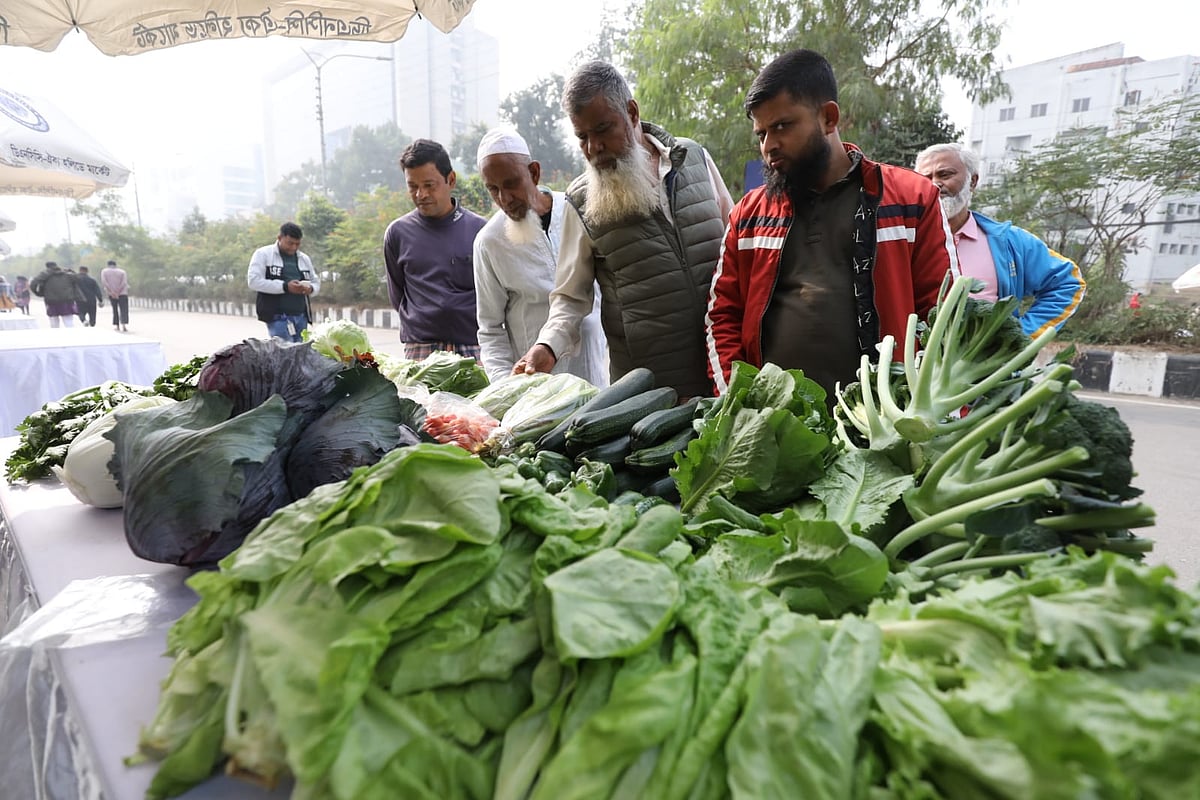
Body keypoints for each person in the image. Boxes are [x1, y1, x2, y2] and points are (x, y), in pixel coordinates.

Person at [706, 49, 957, 401]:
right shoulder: (747, 214)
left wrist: (920, 412)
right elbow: (722, 317)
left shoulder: (913, 199)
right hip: (774, 428)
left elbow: (945, 314)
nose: (769, 146)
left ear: (828, 117)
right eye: (761, 134)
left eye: (781, 126)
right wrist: (739, 402)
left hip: (883, 425)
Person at [515, 61, 734, 398]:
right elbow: (570, 298)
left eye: (603, 129)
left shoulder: (695, 159)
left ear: (632, 113)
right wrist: (548, 346)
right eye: (582, 137)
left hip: (723, 371)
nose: (593, 148)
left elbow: (735, 251)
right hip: (649, 396)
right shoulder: (582, 201)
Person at [473, 127, 609, 386]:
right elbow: (490, 329)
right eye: (493, 189)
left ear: (534, 172)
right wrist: (505, 388)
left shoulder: (575, 211)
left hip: (593, 374)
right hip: (535, 389)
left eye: (511, 183)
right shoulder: (489, 242)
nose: (505, 198)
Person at [914, 143, 1085, 337]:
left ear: (972, 181)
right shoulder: (902, 244)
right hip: (914, 365)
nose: (935, 184)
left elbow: (1068, 282)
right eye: (926, 179)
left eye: (945, 175)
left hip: (989, 366)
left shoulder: (1009, 242)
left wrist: (1020, 339)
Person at [383, 139, 487, 361]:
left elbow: (494, 296)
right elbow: (398, 294)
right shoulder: (397, 234)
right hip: (420, 351)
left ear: (451, 180)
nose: (421, 195)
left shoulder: (481, 231)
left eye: (429, 185)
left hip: (473, 348)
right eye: (413, 186)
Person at [247, 221, 321, 343]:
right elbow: (254, 281)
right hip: (278, 318)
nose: (293, 247)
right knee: (285, 355)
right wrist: (285, 287)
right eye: (290, 243)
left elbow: (315, 281)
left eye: (297, 244)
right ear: (279, 238)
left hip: (301, 316)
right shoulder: (263, 254)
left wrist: (310, 289)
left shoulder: (304, 258)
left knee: (301, 355)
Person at [30, 261, 80, 328]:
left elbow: (33, 284)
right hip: (67, 301)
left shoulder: (44, 275)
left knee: (54, 323)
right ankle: (72, 337)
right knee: (68, 322)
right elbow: (78, 279)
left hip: (51, 302)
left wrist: (39, 293)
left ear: (47, 267)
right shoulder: (67, 273)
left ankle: (55, 337)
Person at [101, 260, 130, 331]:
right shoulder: (122, 272)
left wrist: (112, 292)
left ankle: (117, 326)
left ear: (108, 265)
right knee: (124, 309)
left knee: (115, 309)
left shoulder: (104, 271)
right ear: (115, 265)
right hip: (122, 293)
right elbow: (124, 283)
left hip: (111, 294)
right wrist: (118, 291)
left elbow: (104, 282)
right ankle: (124, 325)